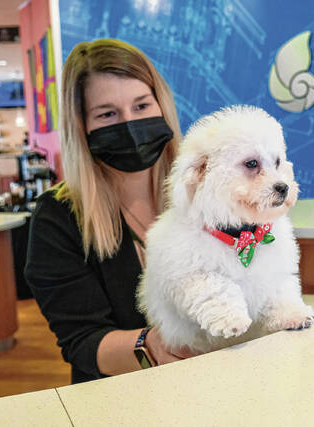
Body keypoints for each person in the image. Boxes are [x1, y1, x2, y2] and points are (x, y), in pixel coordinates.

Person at [25, 39, 197, 384]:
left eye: (141, 105)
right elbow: (82, 341)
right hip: (119, 397)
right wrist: (151, 347)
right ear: (82, 126)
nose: (130, 124)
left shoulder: (204, 191)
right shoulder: (57, 218)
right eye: (107, 114)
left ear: (161, 104)